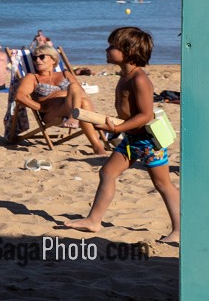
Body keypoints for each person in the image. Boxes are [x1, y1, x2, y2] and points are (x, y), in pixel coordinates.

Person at [65, 27, 180, 244]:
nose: (107, 49)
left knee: (163, 183)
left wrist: (118, 129)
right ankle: (94, 220)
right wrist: (112, 125)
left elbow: (146, 115)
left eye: (112, 46)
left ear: (128, 51)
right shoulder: (123, 76)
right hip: (131, 139)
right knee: (107, 172)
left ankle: (179, 229)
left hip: (148, 141)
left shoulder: (139, 79)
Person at [12, 45, 106, 155]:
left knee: (76, 90)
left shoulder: (65, 73)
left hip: (72, 108)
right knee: (79, 98)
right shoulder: (32, 77)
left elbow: (81, 93)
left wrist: (64, 94)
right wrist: (40, 107)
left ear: (53, 59)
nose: (37, 60)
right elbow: (19, 96)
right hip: (52, 113)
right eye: (34, 58)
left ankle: (75, 118)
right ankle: (97, 144)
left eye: (41, 57)